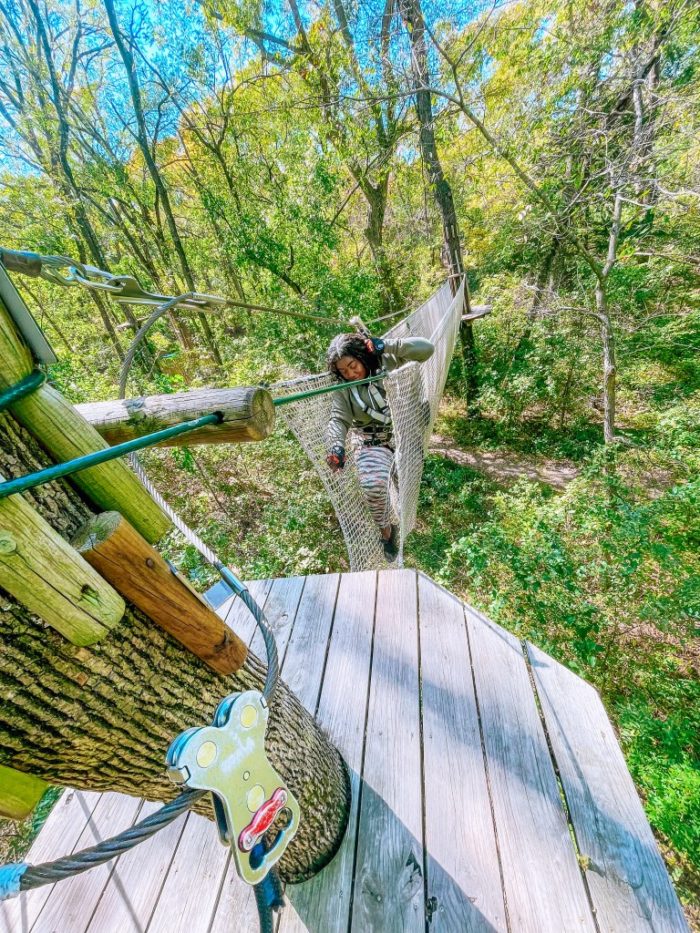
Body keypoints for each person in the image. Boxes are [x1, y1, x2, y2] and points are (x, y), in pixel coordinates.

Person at [325, 331, 435, 561]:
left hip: (404, 431)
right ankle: (386, 531)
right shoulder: (343, 388)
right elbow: (338, 418)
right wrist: (336, 445)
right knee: (373, 485)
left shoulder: (387, 359)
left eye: (352, 366)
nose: (350, 374)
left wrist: (387, 345)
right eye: (343, 371)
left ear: (362, 356)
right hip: (370, 440)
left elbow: (427, 349)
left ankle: (403, 500)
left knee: (405, 480)